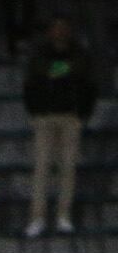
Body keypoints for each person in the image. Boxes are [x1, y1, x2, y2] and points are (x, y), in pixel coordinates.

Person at [23, 16, 98, 238]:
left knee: (68, 167)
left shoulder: (80, 55)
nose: (60, 32)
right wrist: (35, 110)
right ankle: (37, 217)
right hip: (45, 117)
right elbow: (31, 81)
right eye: (56, 28)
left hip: (70, 116)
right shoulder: (39, 55)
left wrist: (83, 113)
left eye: (63, 28)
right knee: (42, 167)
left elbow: (88, 84)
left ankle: (63, 215)